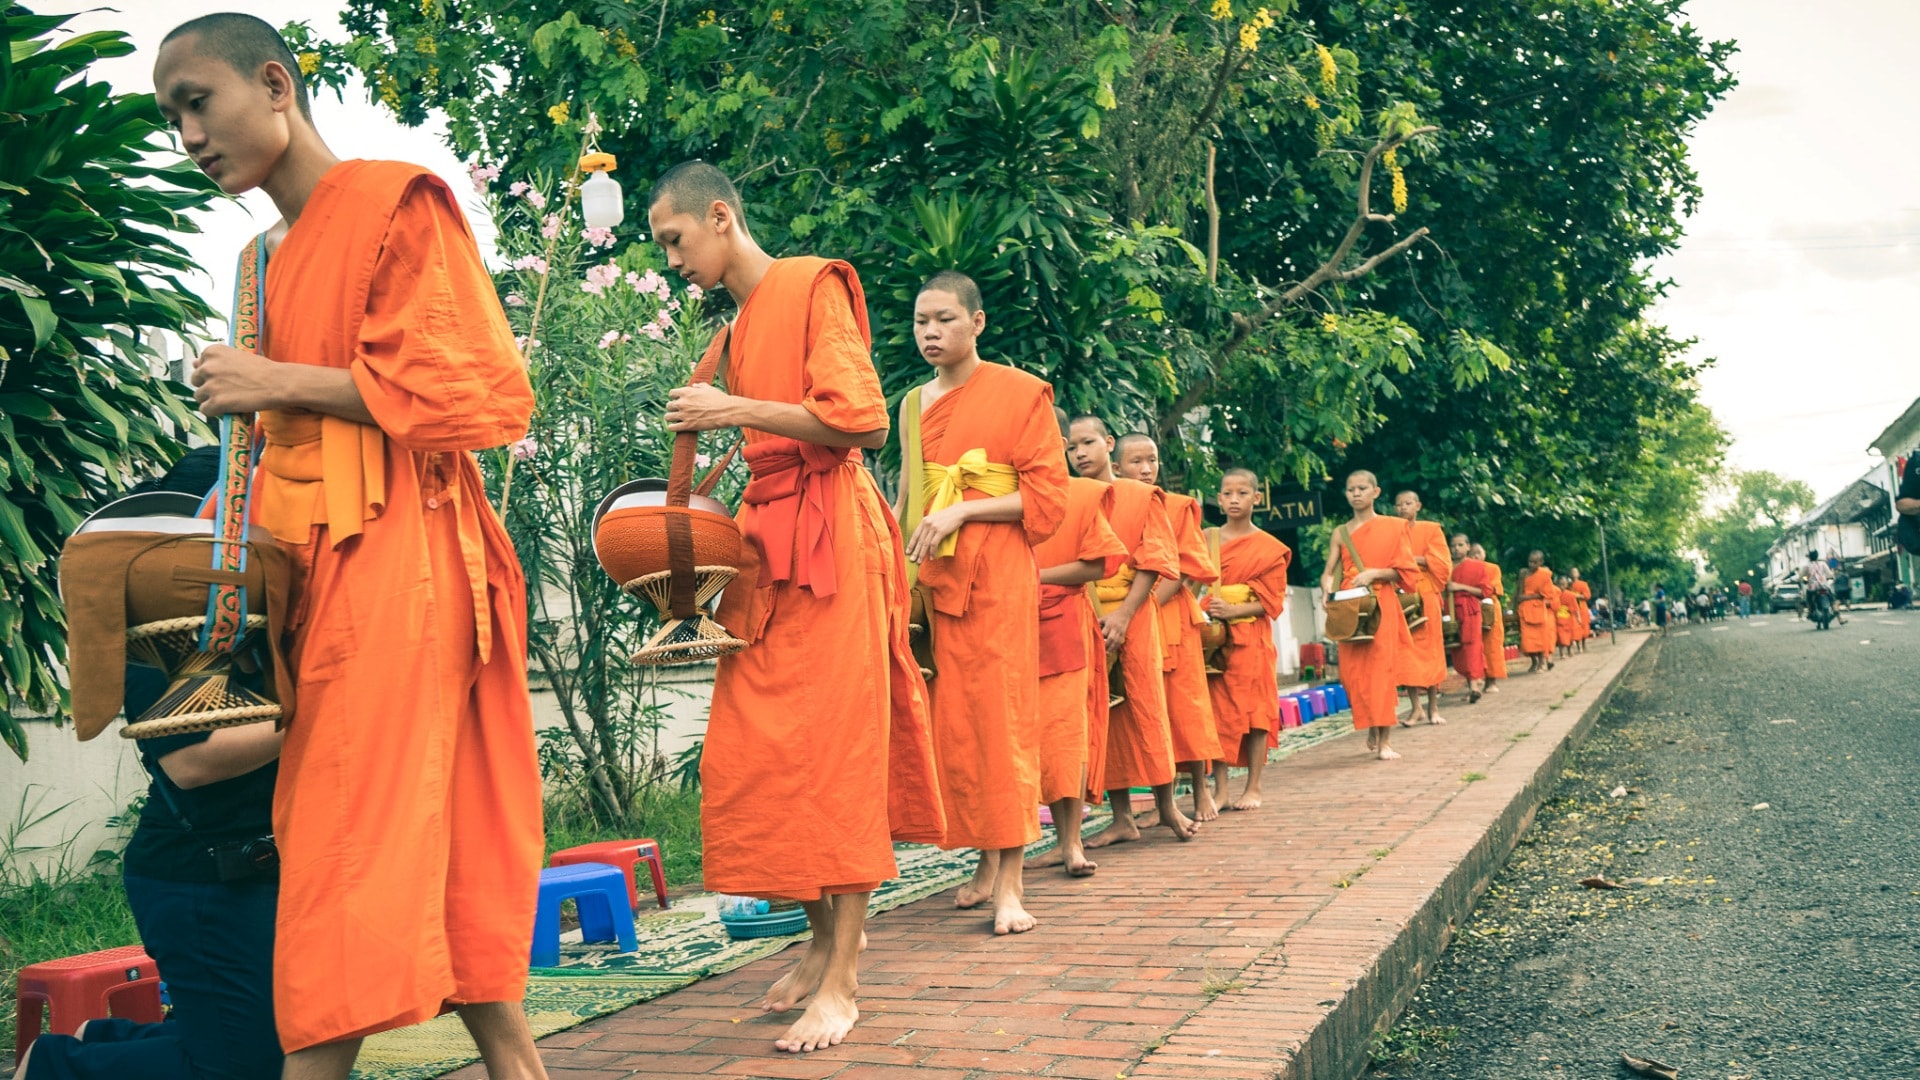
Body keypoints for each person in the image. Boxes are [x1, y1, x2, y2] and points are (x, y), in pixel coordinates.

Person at [155, 17, 548, 1077]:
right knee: (433, 836)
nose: (187, 133)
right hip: (312, 571)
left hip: (406, 556)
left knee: (338, 846)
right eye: (170, 117)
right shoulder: (256, 262)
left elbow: (482, 392)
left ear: (275, 84)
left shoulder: (393, 203)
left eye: (198, 100)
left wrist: (271, 381)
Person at [650, 161, 945, 1051]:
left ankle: (846, 978)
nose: (672, 261)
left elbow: (858, 420)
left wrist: (729, 402)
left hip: (834, 538)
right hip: (765, 544)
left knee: (838, 748)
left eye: (675, 240)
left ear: (721, 216)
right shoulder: (738, 326)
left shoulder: (811, 282)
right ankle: (819, 947)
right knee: (770, 752)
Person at [25, 451, 285, 1080]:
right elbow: (194, 761)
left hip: (269, 870)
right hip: (198, 880)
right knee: (243, 1068)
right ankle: (58, 1064)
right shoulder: (150, 642)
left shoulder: (264, 629)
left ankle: (104, 1038)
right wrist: (323, 714)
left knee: (282, 1040)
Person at [895, 271, 1067, 936]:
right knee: (957, 731)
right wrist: (893, 571)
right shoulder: (912, 404)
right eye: (920, 321)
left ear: (977, 322)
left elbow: (1047, 497)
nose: (931, 332)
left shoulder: (1021, 393)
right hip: (935, 582)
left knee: (1001, 724)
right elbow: (908, 496)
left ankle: (1013, 886)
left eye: (944, 319)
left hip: (996, 580)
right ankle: (985, 865)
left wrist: (965, 510)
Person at [1065, 416, 1196, 845]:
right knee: (1105, 714)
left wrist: (1122, 615)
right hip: (1083, 612)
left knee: (1145, 706)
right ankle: (1121, 817)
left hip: (1133, 614)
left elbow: (1156, 560)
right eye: (1071, 447)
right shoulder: (1067, 497)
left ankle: (1167, 806)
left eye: (1088, 443)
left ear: (1108, 445)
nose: (1080, 453)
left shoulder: (1140, 497)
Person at [1026, 408, 1127, 879]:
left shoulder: (1083, 495)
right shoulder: (997, 494)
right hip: (1004, 628)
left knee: (1063, 738)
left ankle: (1070, 843)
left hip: (1063, 626)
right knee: (1018, 743)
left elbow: (1097, 564)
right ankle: (1018, 850)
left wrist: (1033, 576)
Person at [1113, 434, 1224, 822]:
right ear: (1117, 468)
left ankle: (1201, 791)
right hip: (1122, 615)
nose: (1146, 470)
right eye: (1136, 463)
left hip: (1168, 615)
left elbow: (1181, 566)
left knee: (1185, 708)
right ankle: (1127, 813)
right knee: (1127, 711)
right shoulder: (1106, 501)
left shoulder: (1176, 507)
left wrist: (1142, 608)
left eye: (1152, 461)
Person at [1204, 469, 1292, 810]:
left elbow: (1273, 601)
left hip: (1252, 639)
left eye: (1242, 493)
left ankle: (1253, 786)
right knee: (1218, 713)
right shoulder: (1207, 538)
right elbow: (1192, 583)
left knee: (1257, 713)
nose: (1234, 499)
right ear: (1220, 498)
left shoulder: (1270, 548)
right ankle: (1221, 789)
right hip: (1214, 638)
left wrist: (1236, 609)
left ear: (1257, 498)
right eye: (1227, 494)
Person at [1321, 471, 1418, 761]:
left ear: (1375, 492)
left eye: (1362, 488)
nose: (1356, 494)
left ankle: (1385, 738)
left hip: (1380, 603)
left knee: (1381, 673)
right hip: (1350, 606)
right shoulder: (1341, 532)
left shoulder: (1393, 527)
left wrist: (1374, 573)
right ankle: (1372, 723)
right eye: (1350, 489)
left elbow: (1406, 572)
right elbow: (1329, 571)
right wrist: (1326, 589)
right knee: (1353, 677)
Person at [1391, 491, 1451, 725]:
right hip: (1403, 596)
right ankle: (1416, 708)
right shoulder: (1392, 531)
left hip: (1426, 595)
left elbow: (1443, 564)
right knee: (1406, 653)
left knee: (1431, 651)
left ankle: (1434, 708)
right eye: (1399, 504)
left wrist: (1413, 559)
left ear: (1418, 505)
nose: (1403, 508)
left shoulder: (1431, 530)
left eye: (1407, 503)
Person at [1446, 533, 1489, 703]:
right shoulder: (1446, 567)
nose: (1456, 549)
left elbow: (1485, 591)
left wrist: (1459, 587)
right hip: (1450, 610)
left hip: (1470, 610)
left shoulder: (1477, 567)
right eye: (1453, 545)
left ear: (1468, 547)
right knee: (1457, 650)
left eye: (1460, 545)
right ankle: (1473, 681)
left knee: (1472, 646)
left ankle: (1473, 686)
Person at [1471, 543, 1507, 692]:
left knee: (1492, 646)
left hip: (1490, 608)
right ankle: (1476, 680)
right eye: (1472, 554)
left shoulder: (1493, 568)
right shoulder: (1466, 570)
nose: (1475, 556)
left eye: (1478, 553)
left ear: (1484, 554)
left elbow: (1494, 589)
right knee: (1474, 646)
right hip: (1472, 608)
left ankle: (1491, 681)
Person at [1516, 551, 1558, 672]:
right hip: (1525, 610)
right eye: (1530, 561)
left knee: (1541, 639)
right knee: (1527, 640)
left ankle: (1542, 663)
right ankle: (1534, 662)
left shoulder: (1544, 575)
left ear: (1541, 562)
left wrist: (1528, 597)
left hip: (1538, 609)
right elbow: (1519, 593)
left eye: (1535, 562)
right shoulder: (1524, 574)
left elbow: (1547, 594)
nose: (1532, 564)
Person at [1567, 568, 1592, 652]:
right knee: (1575, 628)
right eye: (1572, 572)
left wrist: (1576, 596)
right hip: (1573, 609)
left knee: (1584, 627)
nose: (1573, 573)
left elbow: (1587, 595)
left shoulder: (1583, 584)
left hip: (1582, 608)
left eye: (1575, 572)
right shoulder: (1568, 586)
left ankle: (1584, 644)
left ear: (1578, 574)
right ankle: (1579, 646)